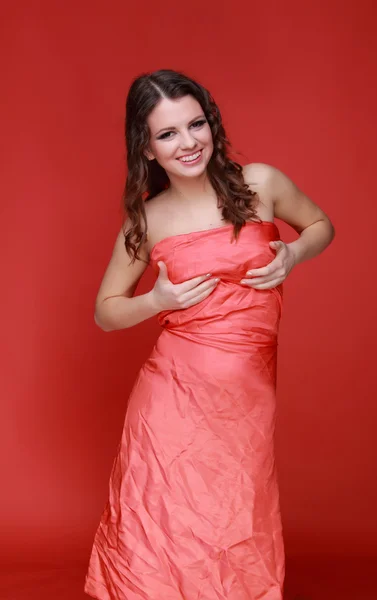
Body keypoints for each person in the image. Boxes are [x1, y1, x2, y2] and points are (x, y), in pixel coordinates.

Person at [84, 68, 335, 600]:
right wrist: (157, 300)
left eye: (195, 124)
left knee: (236, 514)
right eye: (168, 133)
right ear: (147, 149)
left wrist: (293, 253)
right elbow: (106, 312)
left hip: (246, 396)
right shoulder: (146, 220)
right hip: (172, 395)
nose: (188, 142)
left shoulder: (260, 183)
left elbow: (319, 226)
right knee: (165, 522)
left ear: (211, 124)